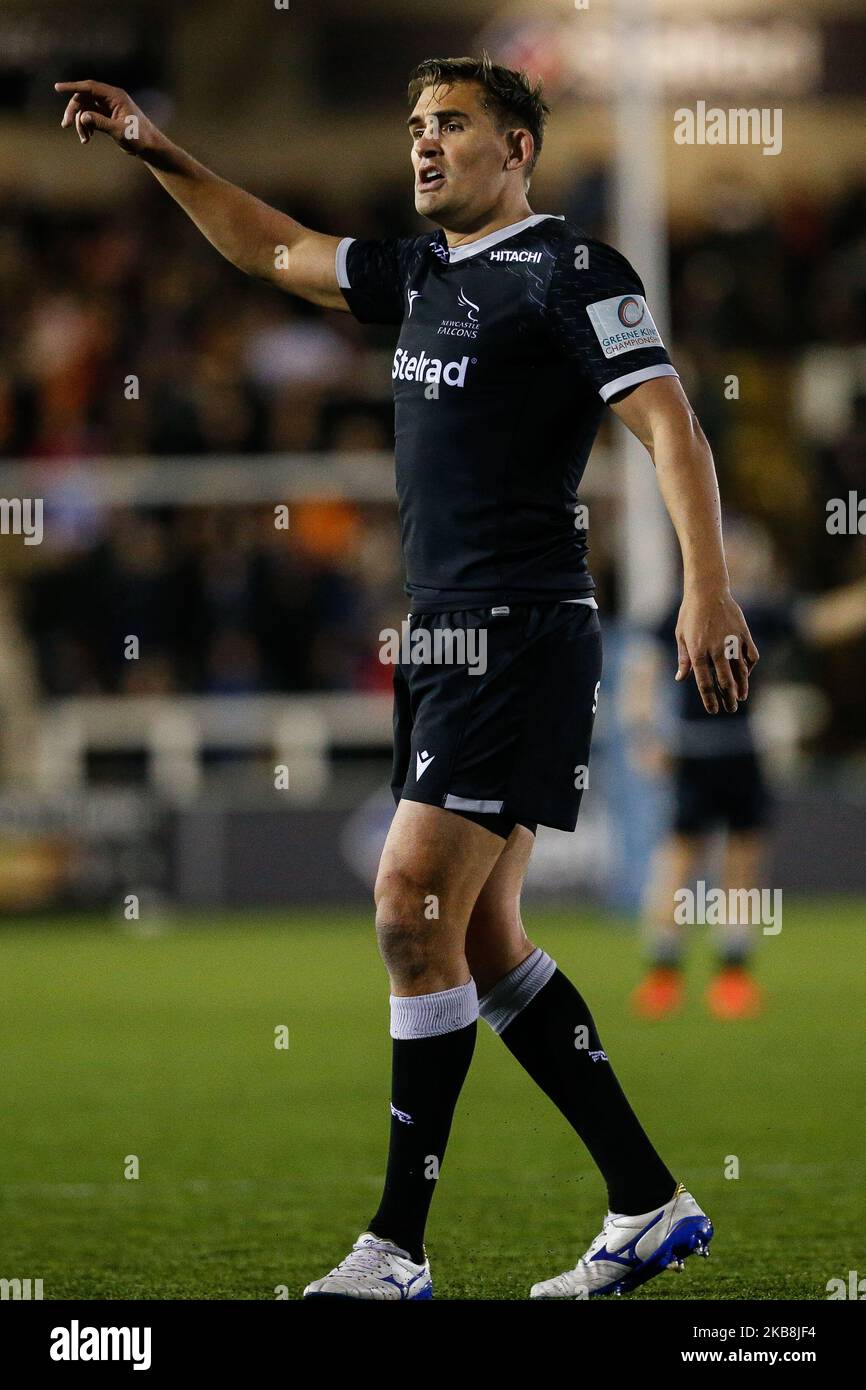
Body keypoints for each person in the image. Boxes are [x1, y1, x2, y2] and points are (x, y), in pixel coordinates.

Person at [56, 53, 757, 1300]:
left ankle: (393, 1249)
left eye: (451, 125)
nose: (423, 145)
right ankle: (648, 1202)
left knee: (405, 908)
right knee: (480, 938)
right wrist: (158, 148)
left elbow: (666, 422)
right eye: (415, 126)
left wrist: (702, 586)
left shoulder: (574, 271)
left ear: (518, 148)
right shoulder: (424, 270)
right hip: (439, 634)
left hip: (519, 628)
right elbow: (272, 251)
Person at [628, 518, 866, 1020]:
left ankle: (732, 976)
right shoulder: (681, 606)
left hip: (741, 750)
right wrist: (645, 732)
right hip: (693, 751)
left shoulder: (755, 610)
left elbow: (821, 621)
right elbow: (644, 669)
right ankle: (663, 973)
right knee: (680, 862)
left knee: (742, 866)